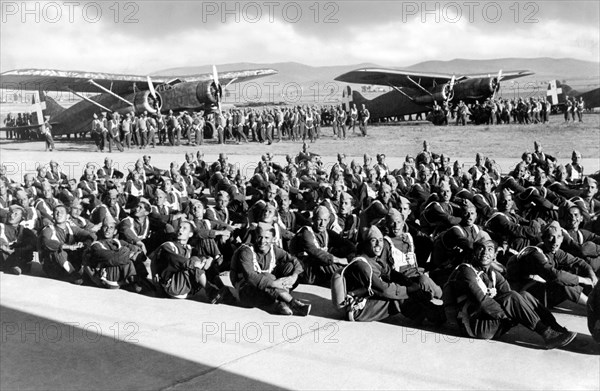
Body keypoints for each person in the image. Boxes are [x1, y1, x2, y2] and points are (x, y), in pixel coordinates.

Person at [444, 237, 577, 349]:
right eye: (481, 248)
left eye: (490, 249)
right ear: (474, 252)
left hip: (491, 321)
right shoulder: (466, 271)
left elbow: (509, 293)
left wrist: (515, 313)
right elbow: (482, 301)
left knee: (525, 295)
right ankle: (547, 333)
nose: (485, 252)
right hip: (475, 326)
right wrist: (509, 316)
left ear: (495, 255)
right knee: (511, 298)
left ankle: (556, 329)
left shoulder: (493, 274)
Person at [507, 221, 597, 308]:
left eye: (558, 237)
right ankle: (593, 306)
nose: (555, 241)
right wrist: (584, 280)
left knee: (575, 271)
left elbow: (579, 262)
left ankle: (595, 301)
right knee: (562, 281)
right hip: (526, 297)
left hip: (539, 292)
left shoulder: (555, 252)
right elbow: (556, 276)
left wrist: (592, 276)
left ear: (562, 239)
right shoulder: (536, 254)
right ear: (543, 238)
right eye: (550, 237)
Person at [230, 223, 310, 315]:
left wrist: (293, 277)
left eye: (267, 238)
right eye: (259, 237)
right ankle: (292, 303)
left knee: (290, 267)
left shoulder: (274, 249)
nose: (262, 241)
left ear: (273, 239)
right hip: (245, 290)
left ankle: (280, 302)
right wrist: (274, 283)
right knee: (267, 276)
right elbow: (250, 276)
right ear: (255, 237)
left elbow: (295, 261)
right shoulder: (246, 251)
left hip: (266, 286)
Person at [150, 220, 230, 302]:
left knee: (203, 261)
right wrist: (196, 263)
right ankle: (210, 291)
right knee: (194, 261)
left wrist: (208, 259)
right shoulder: (168, 246)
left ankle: (225, 291)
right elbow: (177, 260)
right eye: (179, 227)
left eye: (184, 228)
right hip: (171, 286)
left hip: (186, 287)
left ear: (190, 234)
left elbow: (200, 256)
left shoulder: (189, 248)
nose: (180, 230)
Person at [289, 206, 355, 286]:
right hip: (305, 270)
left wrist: (349, 258)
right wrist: (337, 260)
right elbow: (315, 251)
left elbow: (348, 245)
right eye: (319, 219)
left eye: (325, 220)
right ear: (313, 219)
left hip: (318, 267)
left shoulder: (327, 233)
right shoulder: (306, 233)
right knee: (327, 262)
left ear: (328, 221)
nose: (322, 224)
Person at [40, 205, 94, 284]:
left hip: (68, 263)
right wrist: (67, 246)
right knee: (59, 250)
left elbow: (90, 236)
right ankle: (74, 275)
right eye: (56, 212)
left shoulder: (71, 228)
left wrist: (83, 244)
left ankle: (88, 274)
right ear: (53, 216)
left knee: (87, 248)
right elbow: (46, 242)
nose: (59, 214)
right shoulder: (48, 229)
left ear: (67, 216)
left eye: (62, 212)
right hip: (53, 268)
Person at [84, 220, 142, 292]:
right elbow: (111, 258)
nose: (108, 230)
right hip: (107, 277)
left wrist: (133, 251)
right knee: (125, 256)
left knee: (127, 252)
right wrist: (129, 254)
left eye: (111, 228)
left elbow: (137, 249)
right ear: (101, 229)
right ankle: (133, 282)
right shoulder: (96, 245)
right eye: (105, 227)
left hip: (118, 274)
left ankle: (134, 281)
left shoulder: (118, 242)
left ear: (115, 231)